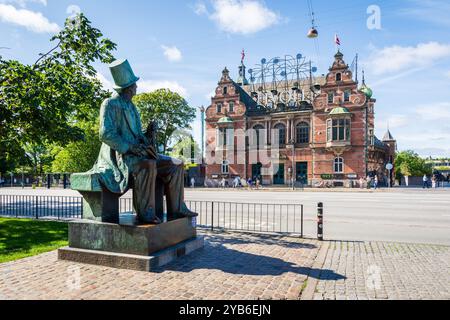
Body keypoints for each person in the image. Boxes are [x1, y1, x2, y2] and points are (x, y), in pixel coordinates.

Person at [86, 59, 197, 224]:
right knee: (148, 165)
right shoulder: (110, 104)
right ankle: (146, 214)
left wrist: (149, 133)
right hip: (121, 157)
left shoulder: (132, 107)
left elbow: (139, 136)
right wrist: (130, 148)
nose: (137, 87)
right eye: (134, 85)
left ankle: (178, 209)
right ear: (128, 88)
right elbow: (105, 133)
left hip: (139, 153)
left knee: (176, 164)